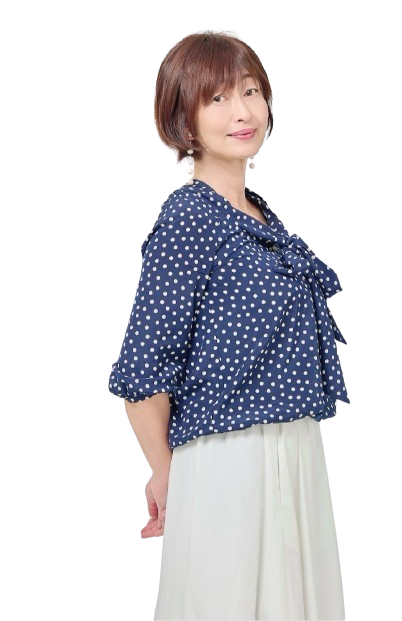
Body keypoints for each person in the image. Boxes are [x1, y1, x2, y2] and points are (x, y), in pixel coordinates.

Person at [108, 28, 349, 621]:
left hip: (295, 453)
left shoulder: (261, 215)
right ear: (183, 120)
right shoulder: (188, 217)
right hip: (228, 464)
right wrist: (169, 477)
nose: (241, 112)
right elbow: (141, 373)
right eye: (216, 98)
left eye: (249, 91)